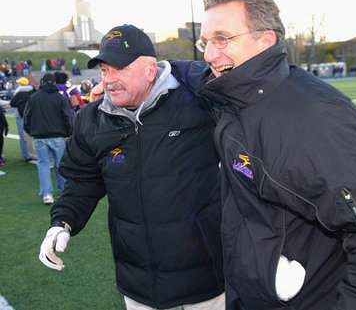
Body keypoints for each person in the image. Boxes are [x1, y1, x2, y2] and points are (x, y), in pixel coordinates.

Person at [170, 0, 356, 310]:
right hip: (249, 295)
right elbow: (196, 73)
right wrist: (163, 67)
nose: (209, 54)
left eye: (223, 39)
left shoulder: (314, 116)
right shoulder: (234, 97)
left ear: (266, 40)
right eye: (205, 42)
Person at [38, 24, 224, 310]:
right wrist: (62, 223)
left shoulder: (198, 103)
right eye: (104, 70)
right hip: (139, 281)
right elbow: (82, 182)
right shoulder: (91, 120)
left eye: (120, 68)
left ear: (152, 70)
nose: (109, 79)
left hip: (206, 277)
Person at [23, 73, 73, 205]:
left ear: (42, 82)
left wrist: (32, 131)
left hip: (40, 136)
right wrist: (68, 132)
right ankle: (63, 190)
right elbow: (68, 117)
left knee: (44, 164)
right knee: (59, 164)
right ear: (55, 83)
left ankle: (47, 194)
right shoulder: (60, 98)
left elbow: (26, 118)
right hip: (57, 136)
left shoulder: (34, 98)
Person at [10, 77, 36, 162]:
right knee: (33, 136)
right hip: (32, 115)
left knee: (23, 137)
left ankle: (26, 155)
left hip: (21, 115)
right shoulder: (32, 91)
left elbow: (13, 103)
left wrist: (20, 102)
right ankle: (34, 153)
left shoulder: (19, 92)